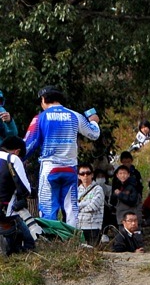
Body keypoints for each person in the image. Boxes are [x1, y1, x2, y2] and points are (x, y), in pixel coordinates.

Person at [23, 86, 102, 226]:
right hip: (70, 168)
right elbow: (94, 134)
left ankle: (51, 240)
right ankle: (71, 241)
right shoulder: (75, 115)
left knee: (48, 207)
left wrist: (14, 160)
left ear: (43, 100)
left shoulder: (40, 117)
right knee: (71, 208)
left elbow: (28, 145)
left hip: (49, 168)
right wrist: (94, 120)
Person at [0, 135, 35, 255]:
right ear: (17, 151)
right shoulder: (13, 159)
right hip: (5, 213)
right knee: (30, 244)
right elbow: (26, 190)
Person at [76, 164, 105, 245]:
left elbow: (93, 206)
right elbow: (73, 207)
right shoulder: (76, 190)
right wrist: (87, 202)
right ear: (79, 176)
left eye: (88, 173)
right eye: (82, 174)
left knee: (93, 251)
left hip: (94, 227)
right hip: (79, 226)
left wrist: (80, 207)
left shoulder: (98, 189)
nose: (85, 176)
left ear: (92, 175)